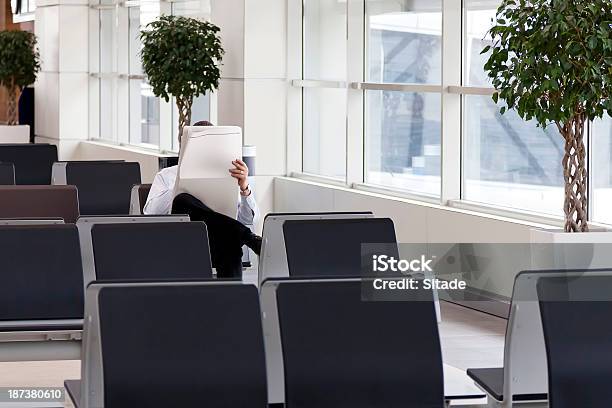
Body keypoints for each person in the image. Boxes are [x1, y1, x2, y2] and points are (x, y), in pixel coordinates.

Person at [143, 120, 262, 278]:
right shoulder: (167, 175)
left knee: (230, 241)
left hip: (215, 240)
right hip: (182, 239)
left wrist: (244, 188)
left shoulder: (228, 174)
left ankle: (233, 296)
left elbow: (248, 219)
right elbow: (151, 212)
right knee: (182, 200)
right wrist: (180, 182)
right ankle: (247, 237)